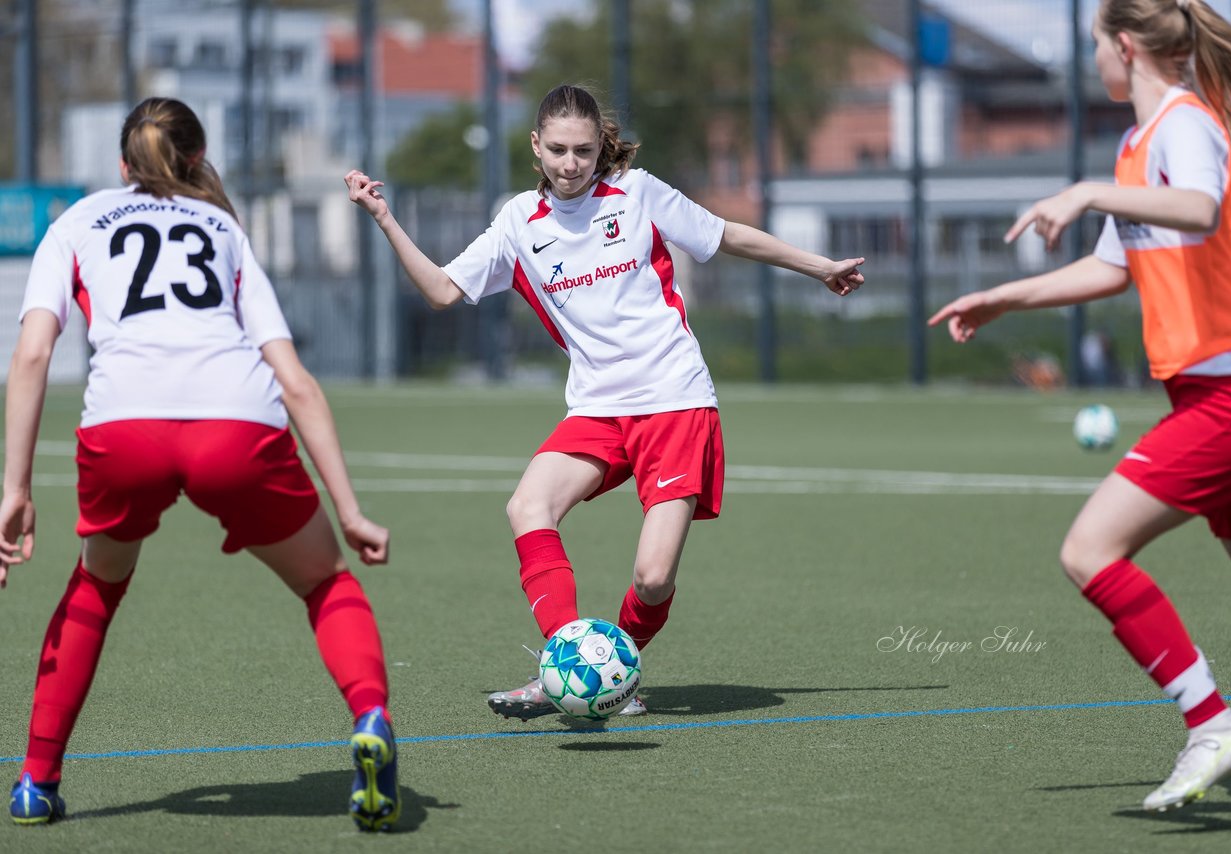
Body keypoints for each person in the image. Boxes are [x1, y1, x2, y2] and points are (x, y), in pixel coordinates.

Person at [346, 84, 864, 721]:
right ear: (536, 147)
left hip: (674, 400)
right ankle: (565, 666)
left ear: (600, 151)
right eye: (558, 150)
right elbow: (441, 291)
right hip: (595, 408)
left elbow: (726, 235)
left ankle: (615, 678)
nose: (570, 163)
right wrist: (383, 218)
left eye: (583, 151)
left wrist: (819, 267)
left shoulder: (637, 193)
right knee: (527, 505)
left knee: (651, 577)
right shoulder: (516, 222)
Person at [3, 97, 400, 831]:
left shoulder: (77, 221)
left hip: (125, 429)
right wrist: (348, 509)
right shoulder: (224, 228)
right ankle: (371, 718)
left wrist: (14, 490)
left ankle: (34, 781)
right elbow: (295, 382)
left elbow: (31, 354)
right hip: (236, 424)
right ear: (195, 161)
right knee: (325, 580)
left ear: (123, 166)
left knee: (95, 587)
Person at [929, 0, 1231, 812]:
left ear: (1124, 46)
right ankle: (1213, 724)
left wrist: (1087, 190)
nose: (1096, 63)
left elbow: (1195, 208)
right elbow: (1110, 268)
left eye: (1096, 47)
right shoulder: (1135, 147)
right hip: (1227, 391)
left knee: (1091, 550)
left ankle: (1212, 724)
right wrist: (1003, 298)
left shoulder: (1187, 125)